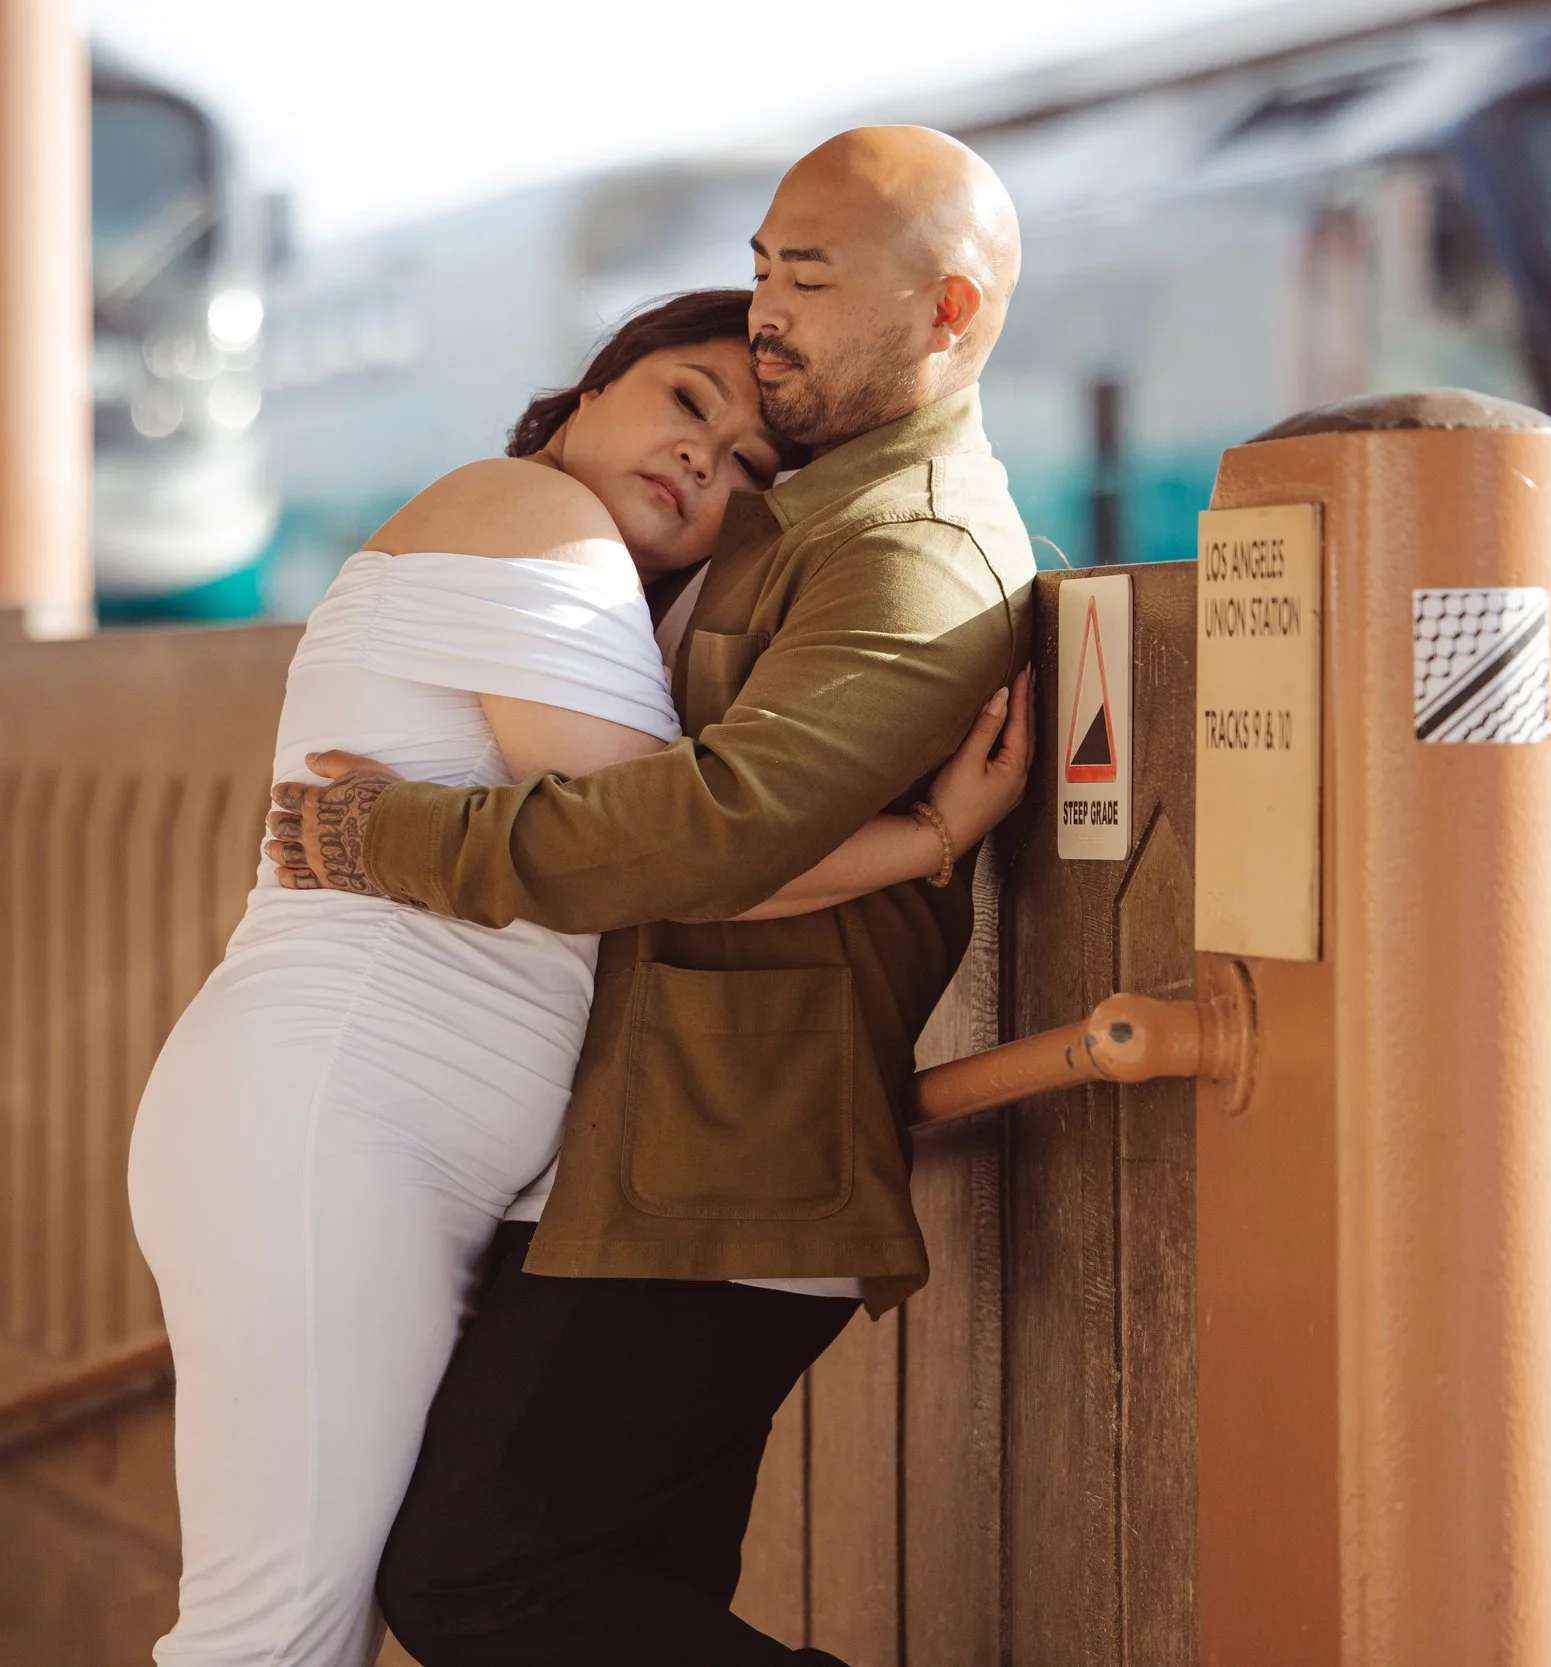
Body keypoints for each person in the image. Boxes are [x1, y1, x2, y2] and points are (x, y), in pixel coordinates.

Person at [129, 280, 1033, 1665]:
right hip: (331, 1113)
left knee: (366, 1607)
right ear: (588, 392)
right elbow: (666, 842)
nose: (704, 458)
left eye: (749, 466)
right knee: (276, 1630)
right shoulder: (525, 510)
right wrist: (926, 834)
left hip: (395, 1145)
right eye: (685, 400)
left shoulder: (615, 592)